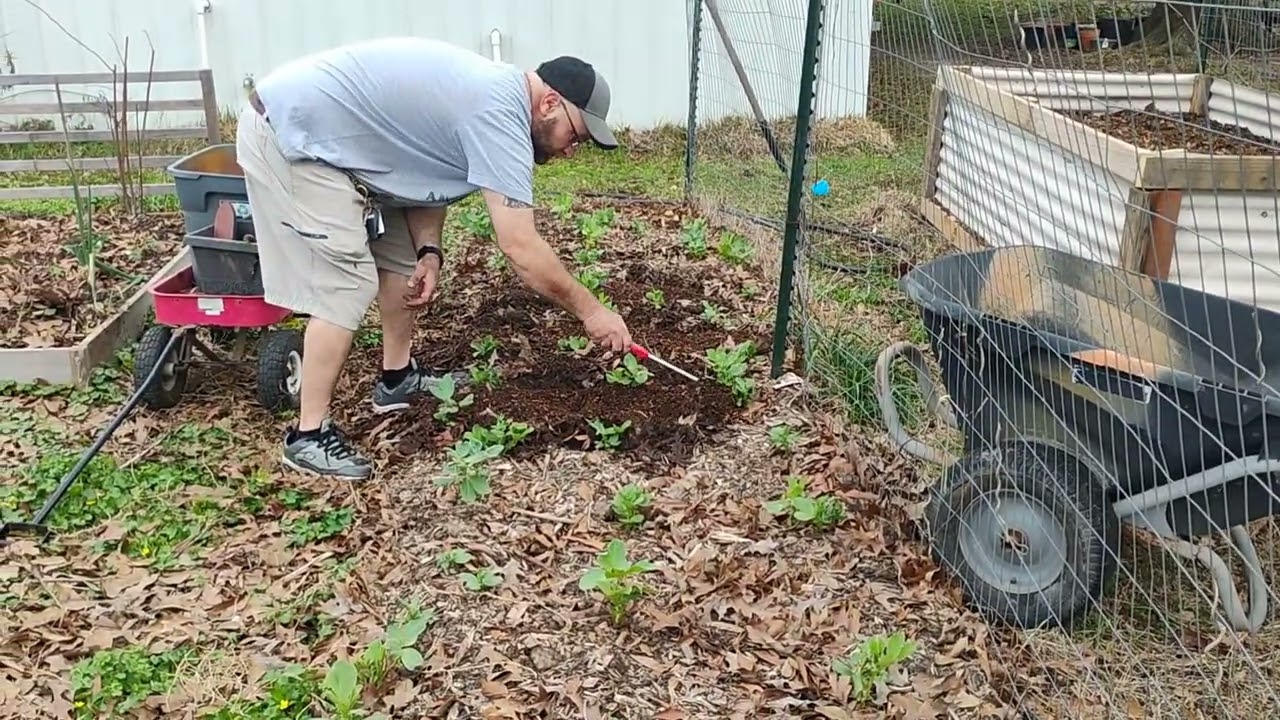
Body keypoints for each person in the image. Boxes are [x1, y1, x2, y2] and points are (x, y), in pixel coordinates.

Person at [235, 37, 633, 481]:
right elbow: (520, 246)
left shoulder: (496, 99)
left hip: (343, 148)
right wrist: (592, 311)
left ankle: (396, 379)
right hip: (292, 135)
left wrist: (430, 250)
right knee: (346, 281)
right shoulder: (499, 115)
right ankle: (307, 436)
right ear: (550, 103)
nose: (571, 149)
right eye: (575, 134)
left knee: (402, 261)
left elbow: (426, 168)